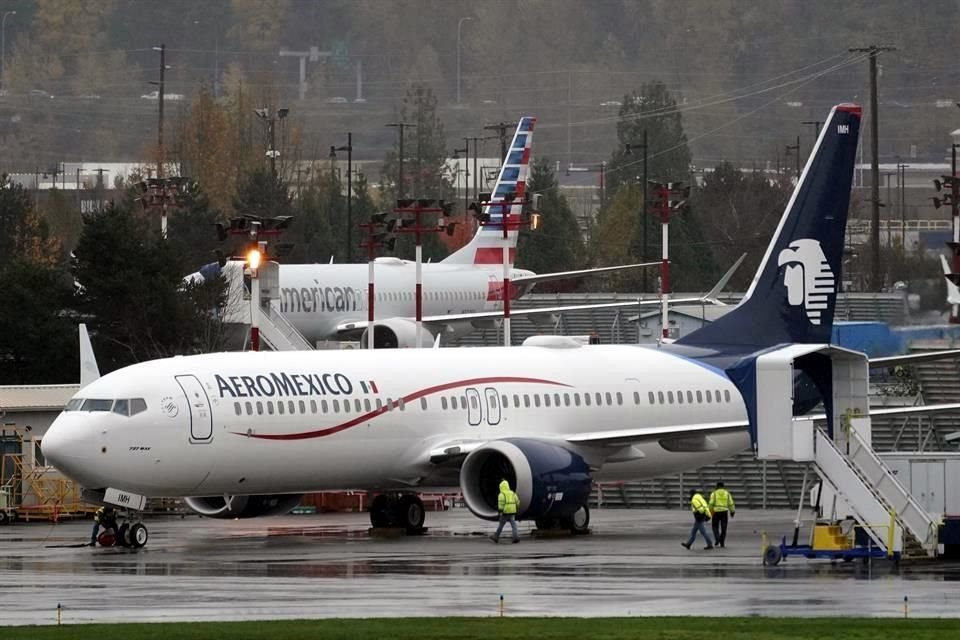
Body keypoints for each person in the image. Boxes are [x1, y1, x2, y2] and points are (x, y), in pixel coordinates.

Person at [491, 479, 520, 544]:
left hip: (505, 512)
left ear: (501, 487)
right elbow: (517, 502)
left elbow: (501, 504)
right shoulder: (512, 493)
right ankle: (516, 537)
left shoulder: (501, 494)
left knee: (501, 525)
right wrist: (516, 508)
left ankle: (496, 537)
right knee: (514, 525)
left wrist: (500, 511)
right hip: (512, 511)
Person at [708, 481, 735, 548]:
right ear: (723, 486)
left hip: (716, 512)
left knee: (714, 527)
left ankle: (717, 539)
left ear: (717, 486)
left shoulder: (714, 493)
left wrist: (709, 512)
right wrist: (732, 511)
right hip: (724, 512)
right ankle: (722, 542)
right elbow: (731, 503)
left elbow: (711, 504)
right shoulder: (727, 494)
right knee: (724, 528)